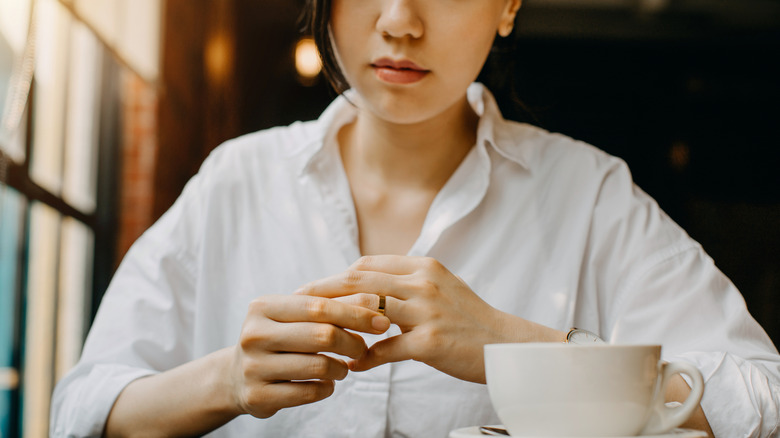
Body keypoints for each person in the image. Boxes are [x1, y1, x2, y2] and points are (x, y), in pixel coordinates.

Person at [51, 0, 780, 436]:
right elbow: (82, 411)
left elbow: (764, 395)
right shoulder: (236, 182)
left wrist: (519, 346)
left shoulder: (590, 195)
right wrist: (228, 383)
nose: (400, 22)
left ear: (508, 6)